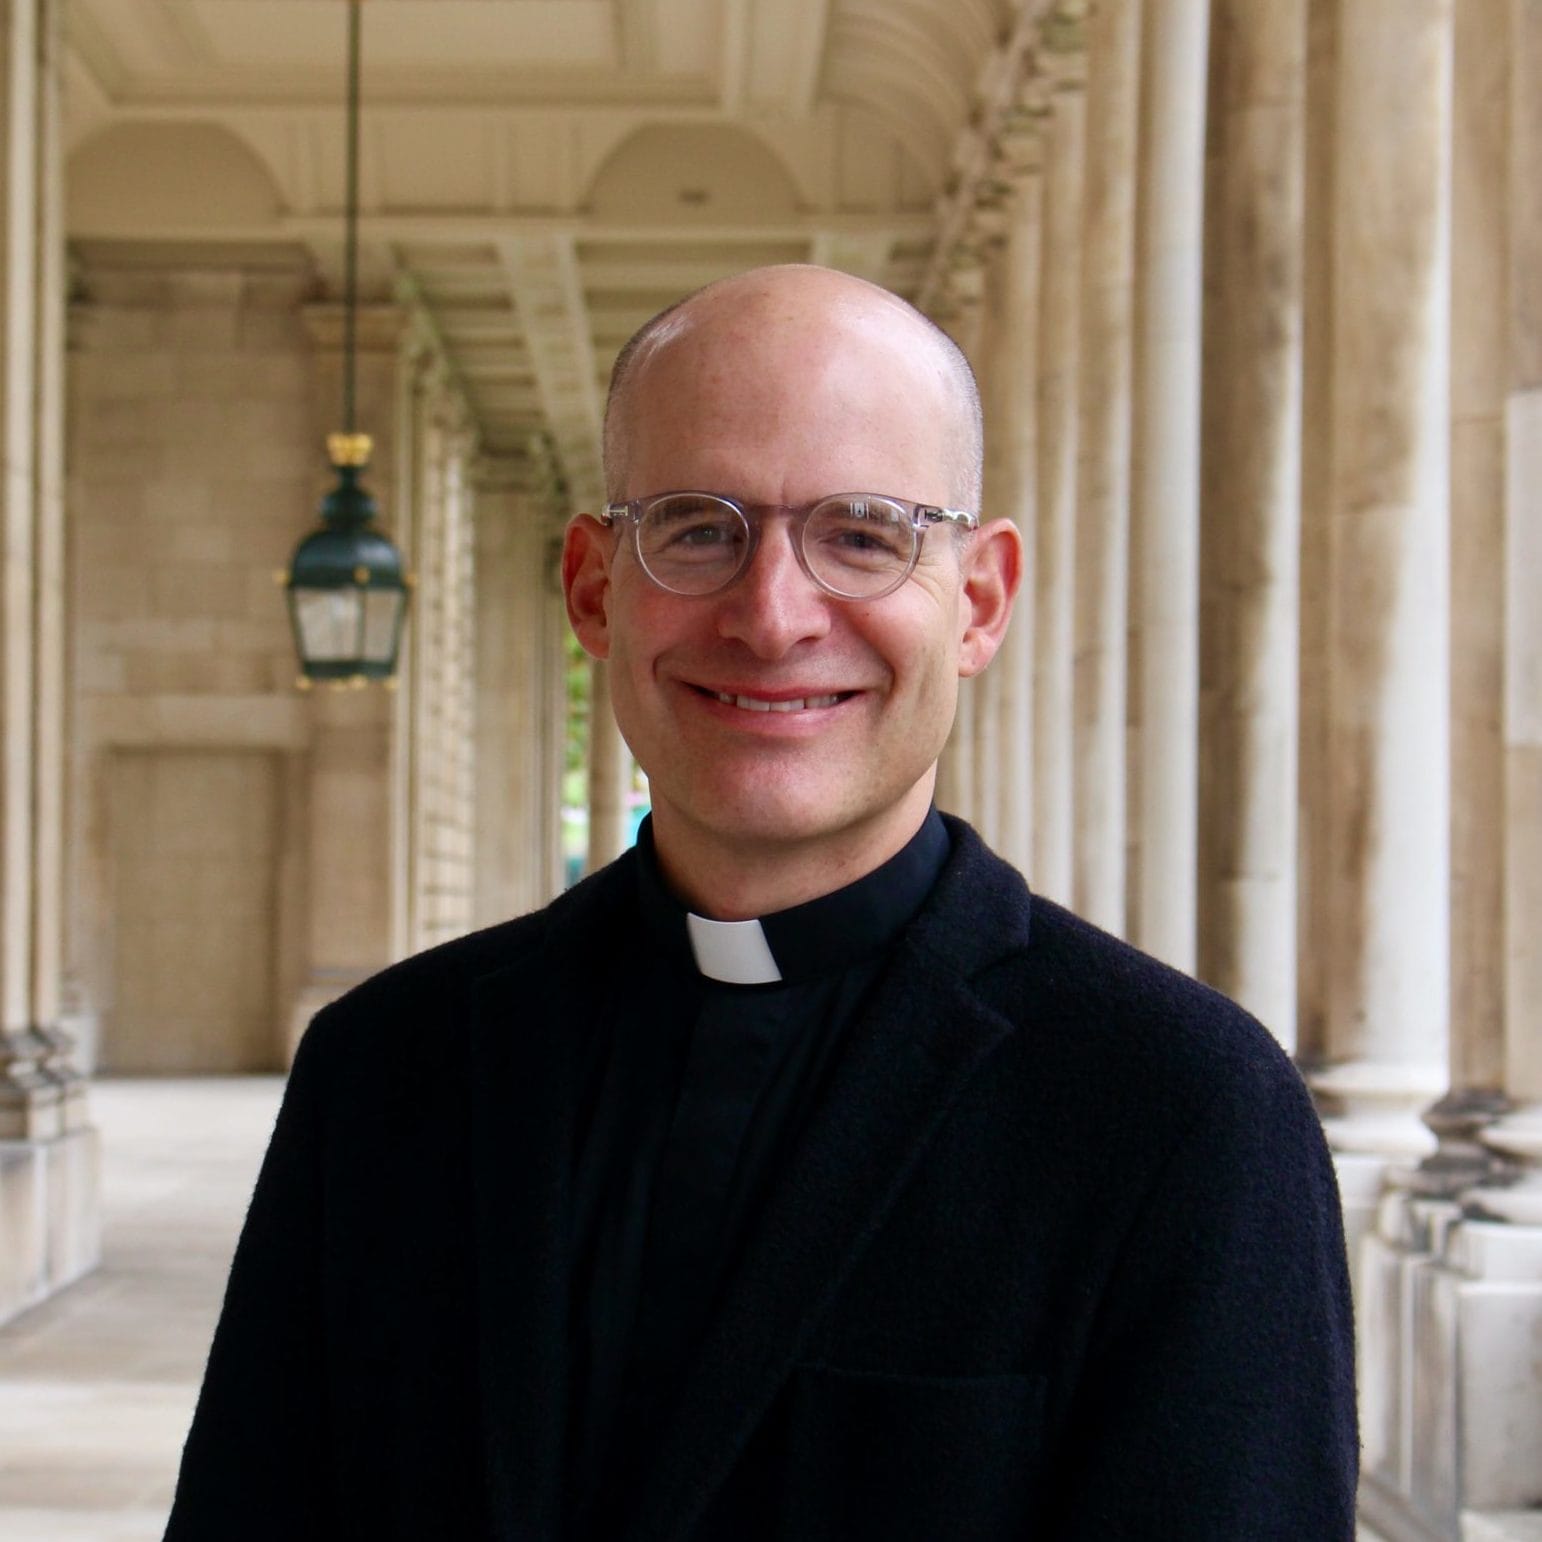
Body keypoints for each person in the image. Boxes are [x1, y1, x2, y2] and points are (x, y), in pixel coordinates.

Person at [164, 265, 1358, 1541]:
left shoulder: (1181, 1110)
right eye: (695, 526)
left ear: (980, 600)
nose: (773, 616)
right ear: (592, 588)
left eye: (860, 533)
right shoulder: (383, 1067)